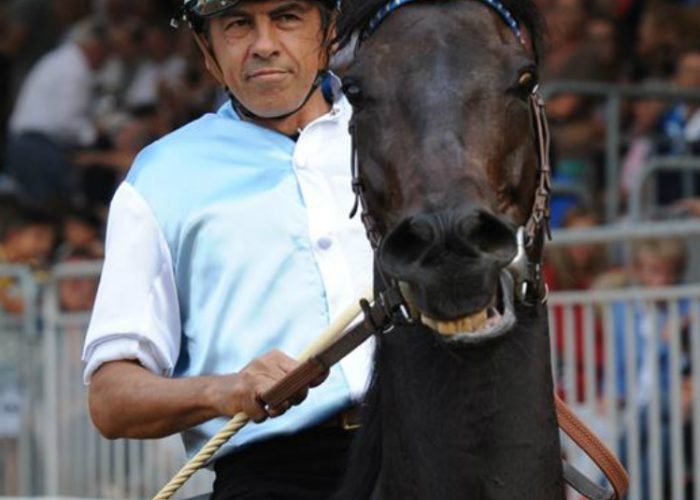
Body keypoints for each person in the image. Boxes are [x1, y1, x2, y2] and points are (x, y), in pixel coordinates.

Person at [82, 0, 373, 498]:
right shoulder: (160, 177)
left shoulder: (399, 134)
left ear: (328, 33)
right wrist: (225, 389)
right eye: (238, 24)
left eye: (287, 17)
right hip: (275, 475)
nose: (263, 44)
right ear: (207, 50)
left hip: (435, 447)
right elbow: (110, 398)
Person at [5, 17, 111, 205]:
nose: (104, 59)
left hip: (23, 143)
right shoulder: (75, 68)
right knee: (49, 215)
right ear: (95, 47)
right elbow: (66, 122)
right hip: (38, 149)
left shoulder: (60, 59)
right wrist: (95, 133)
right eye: (105, 52)